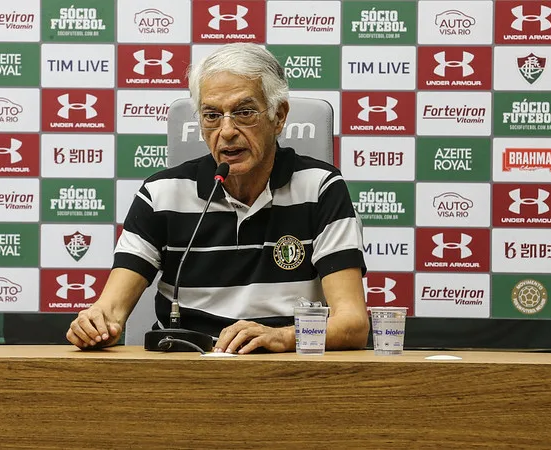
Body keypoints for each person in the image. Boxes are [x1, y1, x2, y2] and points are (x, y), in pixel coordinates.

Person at [66, 43, 369, 354]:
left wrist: (281, 337)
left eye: (244, 113)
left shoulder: (321, 188)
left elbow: (353, 324)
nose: (226, 131)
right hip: (182, 374)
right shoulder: (161, 194)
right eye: (212, 115)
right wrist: (95, 325)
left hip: (282, 373)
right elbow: (110, 312)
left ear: (279, 116)